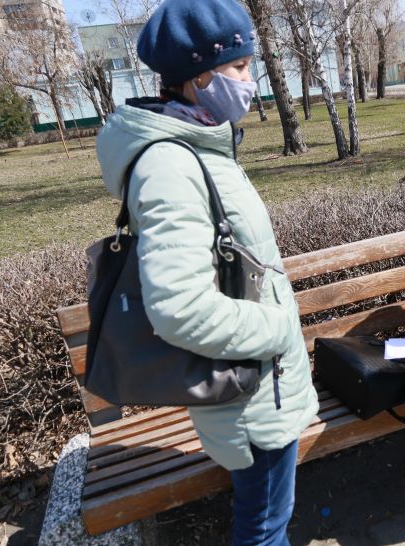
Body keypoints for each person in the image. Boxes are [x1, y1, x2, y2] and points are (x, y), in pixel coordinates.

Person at [95, 0, 319, 544]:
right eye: (240, 68)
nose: (250, 80)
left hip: (261, 387)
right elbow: (179, 307)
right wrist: (279, 330)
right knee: (264, 528)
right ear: (200, 78)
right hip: (250, 394)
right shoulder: (171, 165)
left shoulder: (199, 144)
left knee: (266, 520)